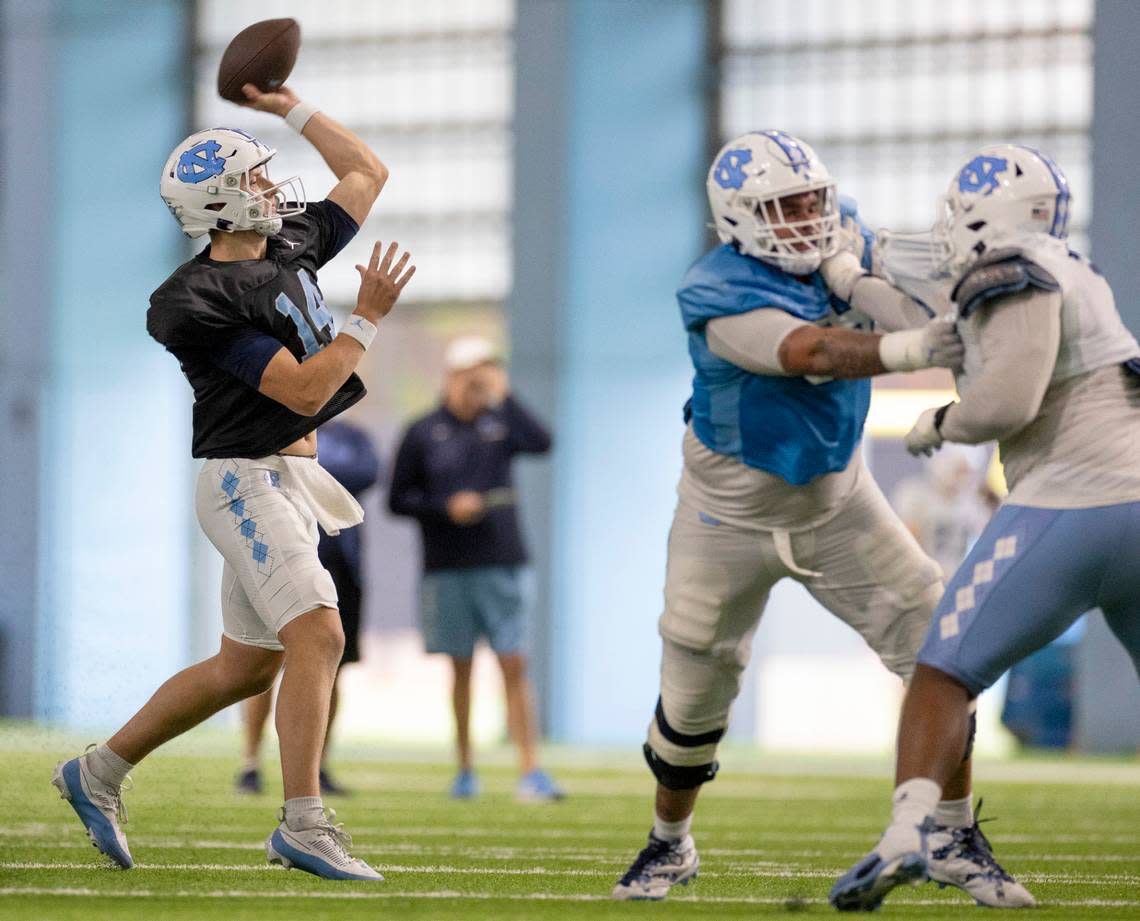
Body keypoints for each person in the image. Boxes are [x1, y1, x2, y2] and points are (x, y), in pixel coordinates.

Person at [611, 130, 1026, 906]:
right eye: (785, 205)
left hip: (838, 497)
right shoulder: (715, 289)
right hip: (726, 509)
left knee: (942, 649)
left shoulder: (848, 232)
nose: (806, 216)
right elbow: (812, 351)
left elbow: (915, 306)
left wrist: (856, 276)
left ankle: (956, 832)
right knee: (694, 690)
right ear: (738, 217)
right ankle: (669, 842)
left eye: (813, 200)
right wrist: (907, 347)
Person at [50, 82, 415, 882]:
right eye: (251, 181)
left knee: (244, 667)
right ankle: (304, 823)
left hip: (288, 480)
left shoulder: (288, 241)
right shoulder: (194, 299)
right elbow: (305, 391)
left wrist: (288, 105)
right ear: (217, 206)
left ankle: (99, 770)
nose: (269, 188)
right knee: (319, 631)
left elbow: (366, 171)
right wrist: (368, 316)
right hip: (245, 480)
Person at [830, 144, 1140, 911]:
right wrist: (848, 277)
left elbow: (1005, 400)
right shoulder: (1070, 269)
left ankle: (912, 832)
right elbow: (944, 329)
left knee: (943, 669)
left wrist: (942, 421)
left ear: (985, 216)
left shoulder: (1016, 272)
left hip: (1075, 503)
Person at [388, 336, 562, 801]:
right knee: (460, 668)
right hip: (447, 566)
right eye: (471, 373)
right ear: (451, 376)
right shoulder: (422, 431)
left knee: (514, 662)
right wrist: (446, 507)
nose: (478, 380)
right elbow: (396, 499)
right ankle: (465, 768)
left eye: (486, 371)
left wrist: (505, 396)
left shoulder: (501, 424)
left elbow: (544, 442)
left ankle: (531, 768)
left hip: (503, 561)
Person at [236, 419, 382, 796]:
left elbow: (366, 473)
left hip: (340, 565)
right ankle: (250, 763)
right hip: (280, 556)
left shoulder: (352, 435)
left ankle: (317, 765)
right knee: (263, 661)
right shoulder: (270, 420)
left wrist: (303, 465)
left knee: (330, 664)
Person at [892, 445, 995, 582]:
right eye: (960, 471)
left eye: (968, 472)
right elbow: (908, 545)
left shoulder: (976, 501)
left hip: (962, 581)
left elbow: (985, 546)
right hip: (926, 581)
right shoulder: (915, 496)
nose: (965, 478)